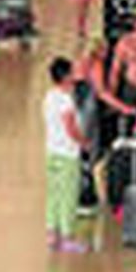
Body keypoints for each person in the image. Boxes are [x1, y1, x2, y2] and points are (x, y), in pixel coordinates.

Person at [44, 57, 90, 253]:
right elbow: (70, 128)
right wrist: (84, 143)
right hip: (67, 154)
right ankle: (67, 237)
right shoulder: (66, 100)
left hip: (52, 151)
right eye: (72, 72)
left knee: (53, 194)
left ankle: (52, 233)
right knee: (68, 196)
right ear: (65, 77)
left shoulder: (49, 96)